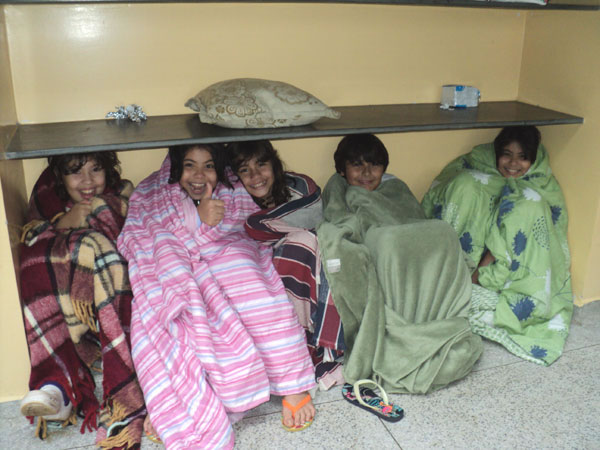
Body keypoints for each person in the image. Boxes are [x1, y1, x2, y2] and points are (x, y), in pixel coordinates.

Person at [117, 143, 316, 449]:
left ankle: (293, 384)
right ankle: (177, 401)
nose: (199, 175)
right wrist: (196, 220)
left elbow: (241, 228)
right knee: (160, 316)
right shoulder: (152, 192)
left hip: (225, 249)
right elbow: (141, 236)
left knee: (253, 288)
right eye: (189, 165)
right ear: (175, 167)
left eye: (208, 166)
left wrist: (209, 225)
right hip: (173, 262)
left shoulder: (231, 189)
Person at [316, 133, 483, 395]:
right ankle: (404, 328)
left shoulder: (395, 186)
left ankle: (435, 317)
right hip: (376, 238)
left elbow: (413, 215)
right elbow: (337, 218)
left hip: (407, 233)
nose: (367, 173)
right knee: (389, 241)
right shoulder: (338, 186)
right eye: (357, 165)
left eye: (374, 165)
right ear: (342, 169)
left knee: (444, 231)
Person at [18, 152, 145, 448]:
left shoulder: (124, 195)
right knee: (36, 258)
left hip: (115, 300)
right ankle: (57, 385)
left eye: (96, 169)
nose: (87, 181)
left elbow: (132, 237)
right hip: (73, 312)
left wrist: (86, 230)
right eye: (76, 171)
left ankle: (115, 384)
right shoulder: (48, 205)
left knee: (97, 249)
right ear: (59, 178)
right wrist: (64, 223)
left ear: (108, 171)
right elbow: (33, 236)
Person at [422, 126, 573, 366]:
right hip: (469, 251)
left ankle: (478, 281)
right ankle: (452, 275)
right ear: (496, 153)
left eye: (523, 157)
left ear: (533, 159)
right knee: (467, 185)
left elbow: (544, 232)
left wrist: (485, 266)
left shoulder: (540, 183)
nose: (513, 163)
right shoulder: (477, 167)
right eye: (507, 154)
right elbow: (444, 193)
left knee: (528, 205)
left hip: (509, 263)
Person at [228, 140, 345, 390]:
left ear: (274, 164)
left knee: (307, 242)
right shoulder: (233, 200)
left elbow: (312, 216)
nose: (256, 176)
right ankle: (293, 349)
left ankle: (310, 345)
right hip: (258, 264)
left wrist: (257, 226)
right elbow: (237, 234)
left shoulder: (301, 188)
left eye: (261, 165)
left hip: (303, 262)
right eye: (245, 170)